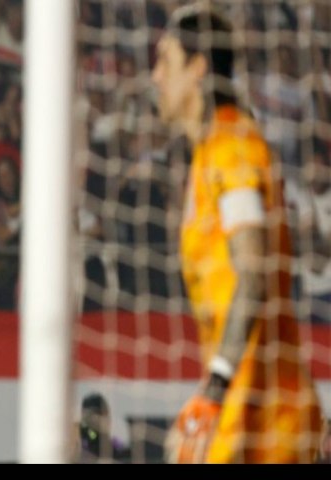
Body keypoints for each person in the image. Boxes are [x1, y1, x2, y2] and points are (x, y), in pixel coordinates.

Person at [151, 4, 322, 463]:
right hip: (241, 416)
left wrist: (214, 387)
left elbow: (252, 272)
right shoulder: (208, 155)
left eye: (165, 61)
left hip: (270, 425)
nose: (154, 76)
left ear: (199, 68)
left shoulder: (232, 145)